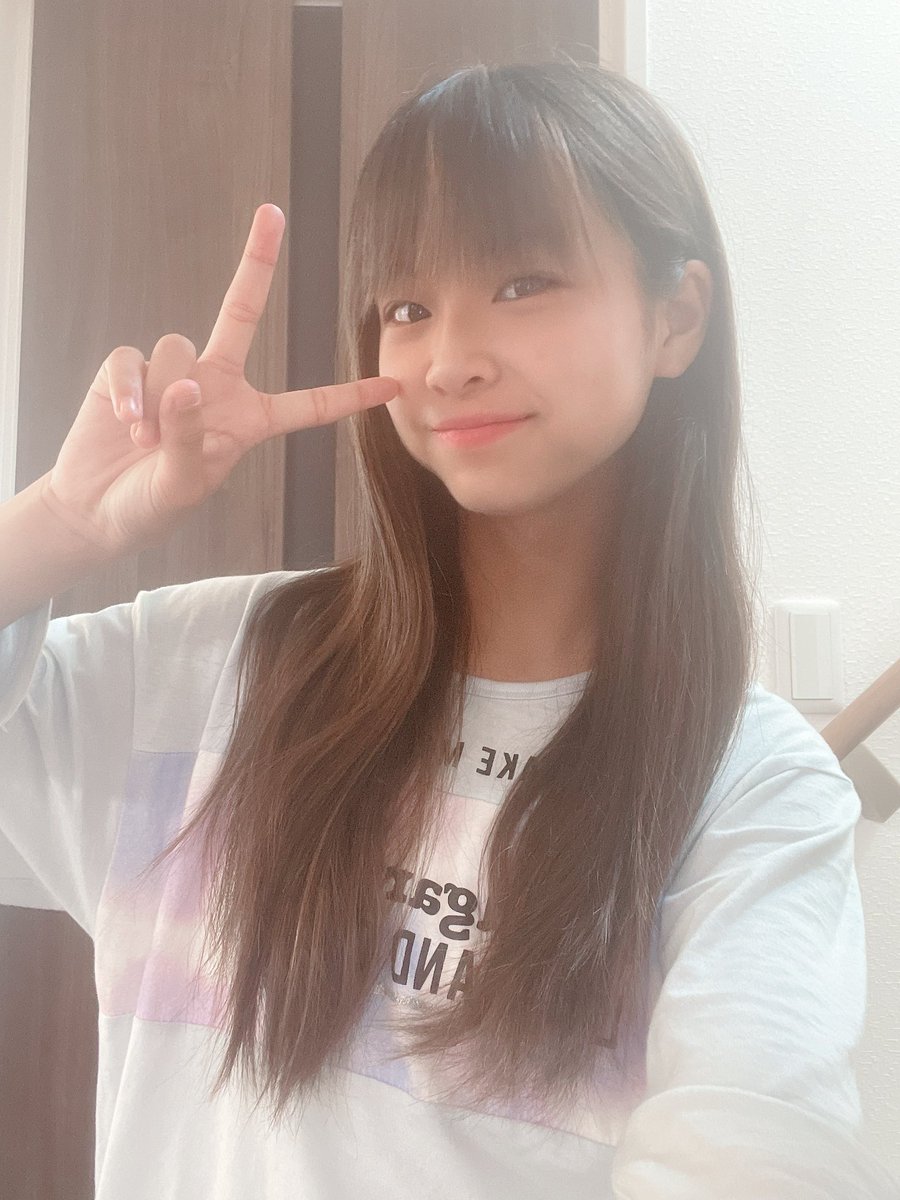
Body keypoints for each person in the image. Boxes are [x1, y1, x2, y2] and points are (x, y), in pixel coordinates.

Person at [1, 58, 896, 1200]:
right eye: (409, 308)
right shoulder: (204, 668)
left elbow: (753, 1144)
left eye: (524, 282)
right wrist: (59, 524)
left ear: (674, 317)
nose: (449, 360)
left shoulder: (751, 789)